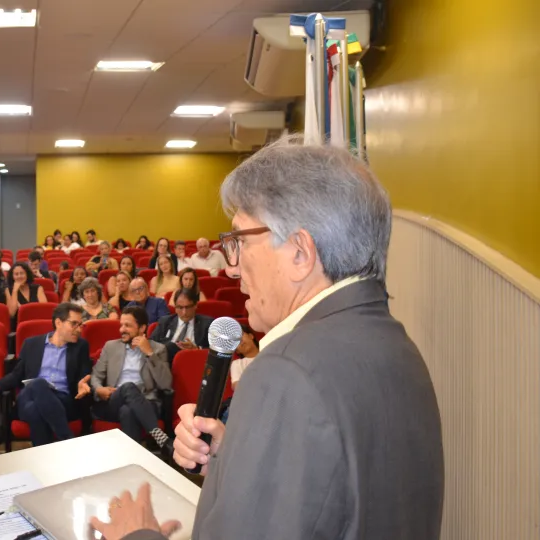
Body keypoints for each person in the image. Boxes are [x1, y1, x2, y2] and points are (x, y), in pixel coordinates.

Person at [95, 138, 444, 540]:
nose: (231, 268)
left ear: (299, 252)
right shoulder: (398, 346)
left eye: (241, 241)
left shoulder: (286, 368)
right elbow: (340, 493)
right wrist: (238, 458)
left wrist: (136, 535)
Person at [0, 303, 91, 446]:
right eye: (74, 324)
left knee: (34, 410)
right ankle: (67, 441)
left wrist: (82, 384)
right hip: (29, 394)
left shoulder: (81, 346)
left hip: (62, 401)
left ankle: (44, 461)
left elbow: (83, 375)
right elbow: (17, 374)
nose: (79, 329)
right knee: (39, 384)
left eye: (81, 325)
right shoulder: (32, 344)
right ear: (58, 322)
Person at [90, 306, 172, 454]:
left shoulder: (158, 349)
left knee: (128, 411)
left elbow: (165, 383)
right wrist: (98, 389)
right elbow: (96, 375)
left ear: (142, 328)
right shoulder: (111, 347)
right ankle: (159, 436)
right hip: (113, 401)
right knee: (128, 387)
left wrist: (149, 354)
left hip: (147, 403)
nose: (122, 329)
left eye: (127, 325)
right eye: (121, 325)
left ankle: (133, 459)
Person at [149, 288, 211, 363]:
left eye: (188, 307)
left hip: (195, 362)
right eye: (180, 307)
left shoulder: (207, 324)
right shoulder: (165, 322)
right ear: (175, 308)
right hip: (167, 363)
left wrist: (197, 349)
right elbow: (151, 344)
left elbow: (216, 351)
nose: (184, 312)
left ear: (195, 306)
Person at [6, 263, 47, 328]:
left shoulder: (38, 288)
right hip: (19, 325)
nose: (19, 276)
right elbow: (12, 313)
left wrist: (22, 308)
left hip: (38, 322)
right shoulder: (9, 290)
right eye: (16, 274)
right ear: (12, 277)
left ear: (27, 274)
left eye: (22, 273)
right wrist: (15, 291)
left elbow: (43, 310)